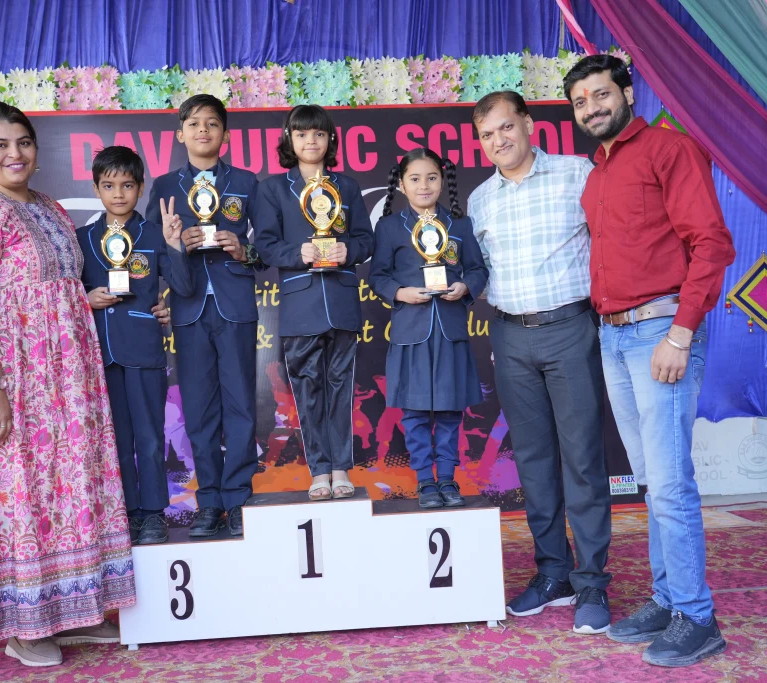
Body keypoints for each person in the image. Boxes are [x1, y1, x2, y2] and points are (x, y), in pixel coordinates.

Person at [0, 101, 135, 667]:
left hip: (64, 380)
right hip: (9, 377)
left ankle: (72, 609)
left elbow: (58, 286)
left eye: (22, 142)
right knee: (19, 490)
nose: (14, 154)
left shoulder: (49, 208)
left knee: (65, 489)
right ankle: (24, 624)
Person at [566, 54, 736, 667]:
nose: (592, 107)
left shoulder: (670, 150)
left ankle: (697, 616)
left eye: (601, 94)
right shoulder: (595, 174)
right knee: (651, 483)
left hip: (661, 332)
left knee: (670, 483)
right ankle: (668, 600)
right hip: (613, 336)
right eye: (581, 101)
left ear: (628, 91)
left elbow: (711, 243)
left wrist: (681, 333)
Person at [466, 91, 612, 635]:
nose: (499, 141)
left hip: (570, 329)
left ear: (527, 124)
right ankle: (554, 573)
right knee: (532, 460)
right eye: (487, 135)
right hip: (510, 336)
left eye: (506, 128)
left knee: (581, 459)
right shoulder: (480, 201)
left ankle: (593, 579)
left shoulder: (577, 174)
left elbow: (612, 242)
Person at [145, 95, 262, 538]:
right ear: (181, 133)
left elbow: (266, 247)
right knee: (198, 409)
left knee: (240, 406)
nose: (203, 131)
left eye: (212, 124)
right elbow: (152, 251)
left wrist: (242, 248)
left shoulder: (249, 183)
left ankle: (238, 497)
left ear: (225, 135)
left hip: (234, 305)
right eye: (194, 124)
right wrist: (177, 245)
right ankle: (209, 499)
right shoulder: (163, 186)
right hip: (189, 307)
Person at [253, 104, 374, 500]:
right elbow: (265, 245)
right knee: (307, 389)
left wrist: (347, 250)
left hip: (341, 301)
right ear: (290, 139)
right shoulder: (273, 188)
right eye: (302, 134)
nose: (311, 141)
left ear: (330, 140)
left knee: (341, 388)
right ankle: (319, 470)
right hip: (300, 303)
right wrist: (298, 254)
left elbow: (366, 241)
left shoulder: (348, 186)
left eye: (319, 134)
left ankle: (341, 468)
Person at [78, 145, 192, 546]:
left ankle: (154, 513)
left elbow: (182, 286)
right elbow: (67, 291)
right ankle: (124, 513)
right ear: (96, 188)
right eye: (109, 186)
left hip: (143, 349)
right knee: (116, 439)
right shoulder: (81, 239)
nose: (119, 194)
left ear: (141, 187)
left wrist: (175, 244)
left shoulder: (152, 234)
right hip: (99, 355)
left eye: (127, 185)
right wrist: (85, 298)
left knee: (149, 435)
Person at [369, 147, 488, 508]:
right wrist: (401, 292)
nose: (424, 185)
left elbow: (478, 270)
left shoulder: (459, 225)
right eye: (415, 179)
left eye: (432, 177)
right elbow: (378, 276)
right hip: (410, 333)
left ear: (443, 180)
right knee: (415, 412)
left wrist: (465, 287)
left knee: (451, 411)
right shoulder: (389, 227)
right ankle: (425, 481)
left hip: (450, 331)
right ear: (402, 185)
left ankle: (448, 480)